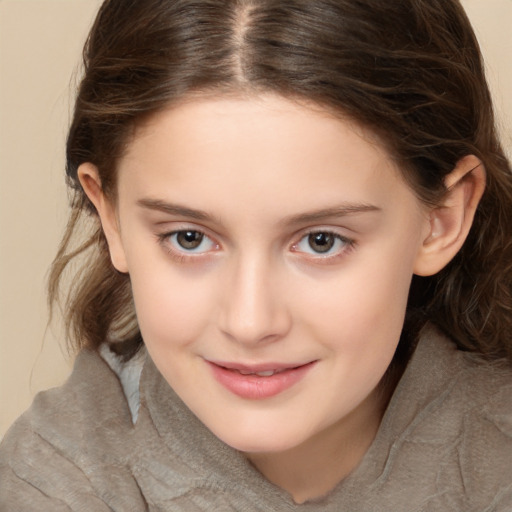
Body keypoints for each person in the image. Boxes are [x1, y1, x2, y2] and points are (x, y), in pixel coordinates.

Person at [1, 0, 511, 509]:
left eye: (321, 241)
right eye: (189, 238)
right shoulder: (49, 484)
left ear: (441, 219)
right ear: (110, 217)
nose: (250, 322)